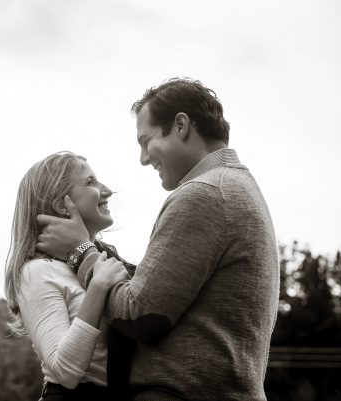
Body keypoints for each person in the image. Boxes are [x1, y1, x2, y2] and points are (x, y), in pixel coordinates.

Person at [36, 78, 280, 401]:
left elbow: (138, 313)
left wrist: (80, 251)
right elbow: (159, 292)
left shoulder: (204, 194)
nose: (143, 158)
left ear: (180, 125)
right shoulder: (236, 187)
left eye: (146, 140)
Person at [4, 151, 134, 401]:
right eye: (90, 182)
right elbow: (64, 371)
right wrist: (97, 288)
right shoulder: (38, 271)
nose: (107, 190)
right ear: (62, 204)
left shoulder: (102, 260)